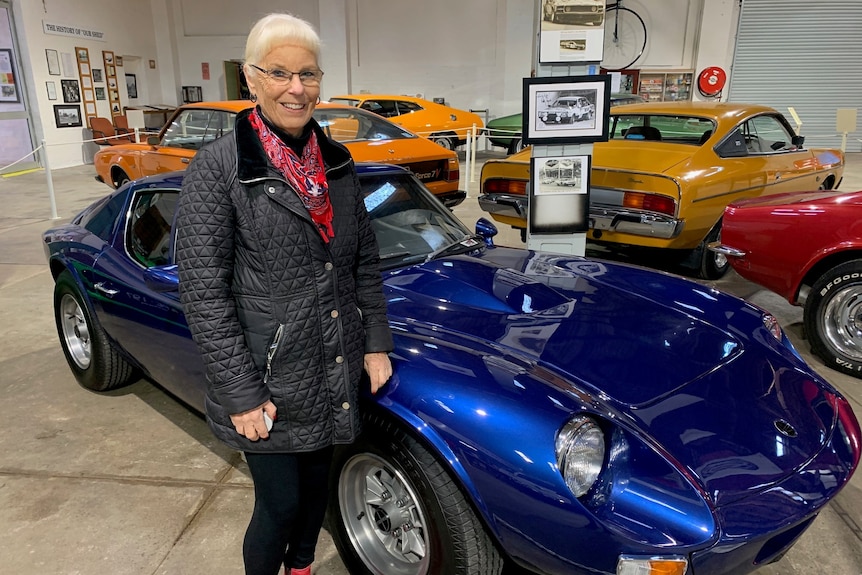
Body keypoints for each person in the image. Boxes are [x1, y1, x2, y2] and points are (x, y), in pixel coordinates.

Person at [174, 12, 394, 575]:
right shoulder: (219, 170)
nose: (297, 88)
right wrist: (241, 393)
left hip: (332, 367)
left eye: (309, 74)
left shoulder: (338, 166)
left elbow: (364, 262)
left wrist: (374, 343)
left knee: (316, 497)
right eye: (280, 73)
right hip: (268, 382)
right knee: (280, 505)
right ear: (251, 79)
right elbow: (204, 293)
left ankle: (300, 569)